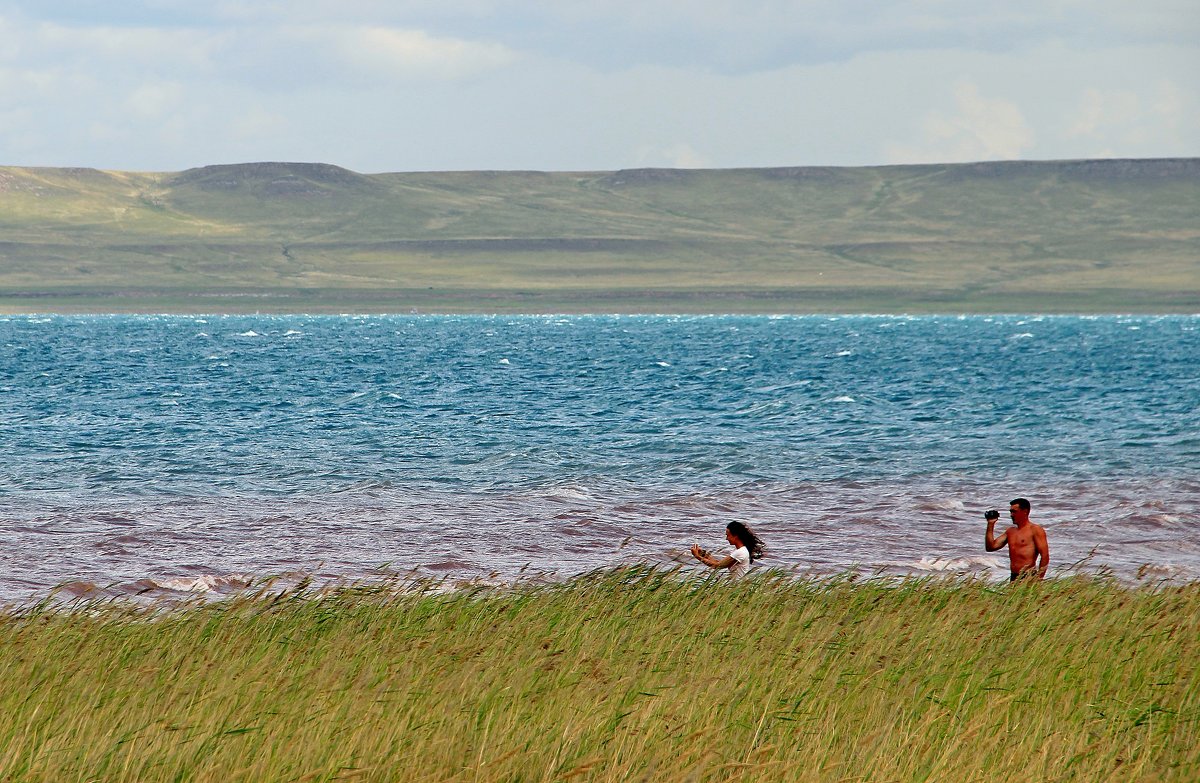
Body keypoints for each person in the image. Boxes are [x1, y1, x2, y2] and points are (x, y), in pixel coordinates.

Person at [984, 497, 1050, 581]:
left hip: (1028, 576)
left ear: (1025, 511)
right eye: (1011, 512)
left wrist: (1039, 578)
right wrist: (990, 524)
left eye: (1014, 512)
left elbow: (1045, 556)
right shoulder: (1010, 531)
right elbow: (990, 547)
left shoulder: (1035, 530)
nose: (1011, 515)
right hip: (1014, 576)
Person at [690, 521, 765, 578]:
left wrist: (697, 556)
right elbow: (718, 562)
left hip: (735, 586)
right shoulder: (742, 551)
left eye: (728, 535)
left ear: (735, 536)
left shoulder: (740, 552)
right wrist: (703, 554)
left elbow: (717, 566)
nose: (726, 538)